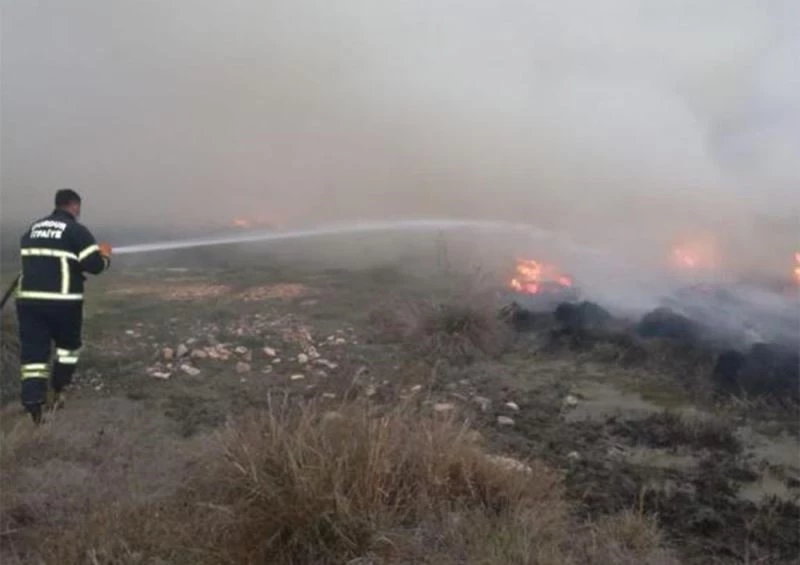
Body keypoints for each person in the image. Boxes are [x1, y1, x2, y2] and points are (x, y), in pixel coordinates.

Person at [15, 189, 112, 423]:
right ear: (75, 206)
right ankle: (58, 390)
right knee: (68, 348)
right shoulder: (76, 230)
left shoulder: (33, 228)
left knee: (34, 354)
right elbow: (94, 266)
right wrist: (105, 255)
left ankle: (32, 405)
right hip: (62, 302)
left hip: (28, 302)